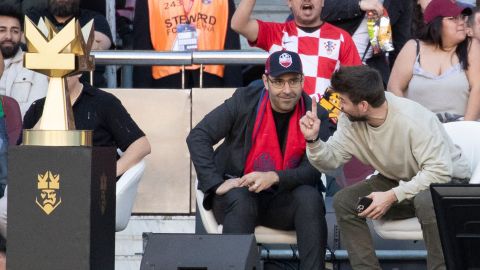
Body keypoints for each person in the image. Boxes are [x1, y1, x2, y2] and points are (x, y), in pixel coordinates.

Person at [300, 65, 471, 270]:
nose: (339, 107)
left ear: (363, 105)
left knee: (425, 200)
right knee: (345, 202)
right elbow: (331, 160)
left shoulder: (414, 120)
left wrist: (391, 195)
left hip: (447, 184)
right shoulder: (350, 120)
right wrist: (313, 140)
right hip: (399, 179)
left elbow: (439, 172)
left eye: (343, 101)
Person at [187, 51, 333, 270]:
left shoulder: (315, 114)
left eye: (294, 81)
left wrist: (275, 176)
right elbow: (198, 136)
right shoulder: (244, 100)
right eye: (278, 82)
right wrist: (216, 183)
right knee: (241, 199)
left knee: (310, 197)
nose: (287, 90)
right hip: (239, 194)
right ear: (266, 81)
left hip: (282, 199)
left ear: (303, 81)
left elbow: (313, 171)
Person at [23, 74, 151, 177]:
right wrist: (47, 113)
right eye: (50, 72)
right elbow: (21, 157)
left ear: (78, 72)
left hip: (91, 186)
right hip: (47, 185)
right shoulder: (38, 108)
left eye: (62, 71)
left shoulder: (103, 102)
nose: (55, 77)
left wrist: (107, 175)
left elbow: (141, 145)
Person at [231, 0, 361, 96]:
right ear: (289, 3)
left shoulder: (342, 38)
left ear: (322, 2)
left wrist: (329, 115)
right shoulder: (276, 32)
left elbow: (354, 85)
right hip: (284, 121)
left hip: (324, 123)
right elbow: (238, 24)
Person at [388, 0, 480, 122]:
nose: (462, 23)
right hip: (422, 130)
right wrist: (411, 123)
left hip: (461, 127)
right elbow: (393, 88)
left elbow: (478, 87)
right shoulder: (413, 48)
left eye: (462, 17)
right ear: (435, 24)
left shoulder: (470, 46)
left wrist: (466, 127)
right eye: (453, 19)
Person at [132, 0, 243, 89]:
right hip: (165, 84)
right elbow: (142, 50)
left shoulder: (223, 1)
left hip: (211, 82)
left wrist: (234, 95)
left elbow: (232, 49)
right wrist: (143, 97)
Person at [322, 0, 413, 84]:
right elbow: (319, 8)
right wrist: (358, 5)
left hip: (368, 71)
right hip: (329, 59)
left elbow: (399, 45)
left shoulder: (402, 2)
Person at [26, 0, 114, 86]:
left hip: (89, 91)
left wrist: (45, 42)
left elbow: (99, 44)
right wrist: (80, 42)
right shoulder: (34, 16)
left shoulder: (95, 18)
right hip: (42, 90)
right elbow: (26, 42)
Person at [0, 3, 48, 118]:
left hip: (21, 133)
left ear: (21, 35)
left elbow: (36, 111)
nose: (9, 36)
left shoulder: (35, 65)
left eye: (15, 31)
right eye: (2, 30)